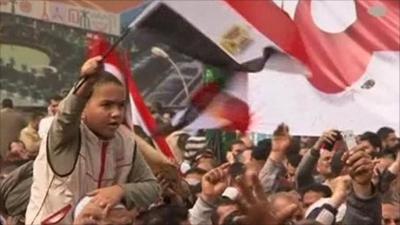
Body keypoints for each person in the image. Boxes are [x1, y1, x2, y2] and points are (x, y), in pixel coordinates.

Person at [25, 56, 160, 224]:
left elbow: (153, 188)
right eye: (106, 105)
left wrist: (120, 190)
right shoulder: (65, 137)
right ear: (84, 107)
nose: (116, 113)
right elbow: (66, 116)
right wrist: (86, 83)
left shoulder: (126, 143)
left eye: (121, 105)